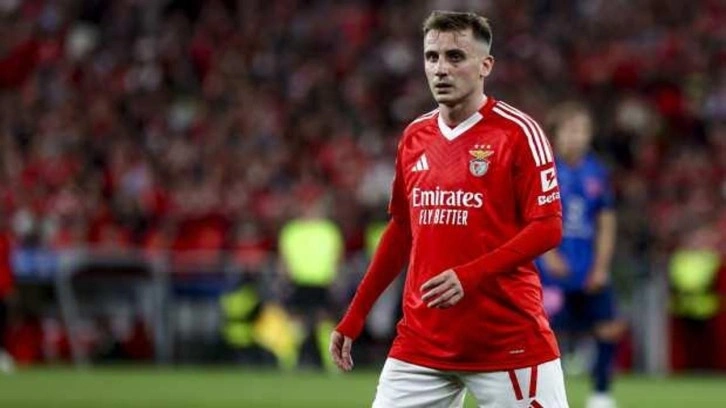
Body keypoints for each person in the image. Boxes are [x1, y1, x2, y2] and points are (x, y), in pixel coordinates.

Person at [330, 10, 569, 407]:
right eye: (432, 57)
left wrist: (468, 275)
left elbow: (548, 227)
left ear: (485, 65)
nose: (441, 68)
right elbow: (401, 231)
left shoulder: (518, 133)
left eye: (455, 57)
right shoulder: (415, 136)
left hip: (507, 341)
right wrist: (356, 315)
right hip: (421, 343)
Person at [537, 102, 625, 408]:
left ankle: (601, 393)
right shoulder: (543, 169)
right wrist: (548, 255)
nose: (577, 137)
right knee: (542, 331)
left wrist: (601, 267)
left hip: (587, 266)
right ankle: (539, 393)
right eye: (570, 130)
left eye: (582, 131)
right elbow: (530, 216)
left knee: (607, 327)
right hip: (550, 269)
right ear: (557, 134)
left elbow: (606, 222)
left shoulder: (597, 173)